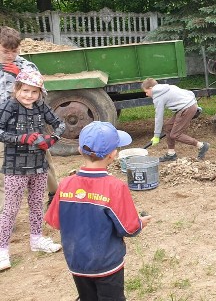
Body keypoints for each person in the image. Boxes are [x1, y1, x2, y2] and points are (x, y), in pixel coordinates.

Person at [45, 121, 151, 300]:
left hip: (77, 262)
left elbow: (54, 221)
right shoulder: (115, 187)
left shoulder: (66, 184)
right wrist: (141, 222)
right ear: (113, 154)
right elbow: (129, 228)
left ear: (80, 150)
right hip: (106, 264)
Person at [0, 69, 65, 271]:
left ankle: (36, 239)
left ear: (40, 93)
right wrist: (21, 138)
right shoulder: (9, 106)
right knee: (11, 208)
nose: (29, 95)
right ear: (17, 88)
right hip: (15, 166)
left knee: (36, 203)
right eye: (25, 90)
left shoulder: (40, 106)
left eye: (34, 92)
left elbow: (60, 124)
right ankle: (2, 250)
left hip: (38, 164)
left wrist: (52, 139)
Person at [0, 26, 59, 212]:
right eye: (5, 51)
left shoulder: (26, 66)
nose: (10, 55)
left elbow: (42, 94)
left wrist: (19, 75)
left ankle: (55, 194)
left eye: (14, 51)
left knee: (42, 162)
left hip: (28, 123)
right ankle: (5, 211)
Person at [141, 78, 209, 162]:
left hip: (186, 109)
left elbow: (158, 117)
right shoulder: (167, 87)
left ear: (151, 88)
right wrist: (195, 105)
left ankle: (201, 145)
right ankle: (171, 154)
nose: (146, 94)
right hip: (187, 107)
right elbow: (189, 93)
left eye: (146, 92)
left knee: (175, 134)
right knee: (168, 127)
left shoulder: (158, 96)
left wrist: (156, 135)